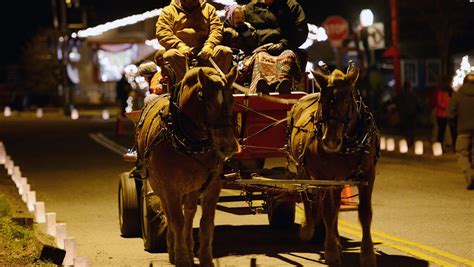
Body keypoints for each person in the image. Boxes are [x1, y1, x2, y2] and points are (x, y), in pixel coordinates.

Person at [155, 0, 233, 82]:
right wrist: (179, 45)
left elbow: (216, 29)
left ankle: (217, 84)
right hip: (181, 53)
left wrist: (209, 45)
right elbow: (162, 32)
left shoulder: (209, 9)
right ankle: (184, 85)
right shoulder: (168, 11)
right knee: (170, 55)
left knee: (225, 51)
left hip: (205, 52)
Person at [243, 0, 308, 93]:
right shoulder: (250, 9)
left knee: (288, 56)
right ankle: (261, 86)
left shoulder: (292, 6)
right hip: (261, 49)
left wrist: (283, 44)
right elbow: (244, 33)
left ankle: (283, 86)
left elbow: (301, 32)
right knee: (260, 58)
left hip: (286, 48)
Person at [447, 73, 474, 190]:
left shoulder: (458, 95)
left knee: (462, 153)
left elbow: (450, 114)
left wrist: (456, 125)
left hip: (463, 130)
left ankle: (470, 173)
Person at [396, 80, 422, 147]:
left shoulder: (401, 94)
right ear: (410, 86)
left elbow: (398, 103)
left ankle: (408, 141)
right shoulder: (413, 94)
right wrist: (419, 111)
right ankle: (412, 141)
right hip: (413, 114)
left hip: (405, 114)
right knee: (412, 128)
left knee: (407, 128)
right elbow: (418, 103)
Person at [434, 79, 457, 151]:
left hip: (450, 115)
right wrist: (448, 106)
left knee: (453, 132)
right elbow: (439, 103)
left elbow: (455, 100)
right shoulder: (440, 92)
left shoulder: (452, 92)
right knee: (441, 132)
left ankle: (454, 147)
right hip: (442, 115)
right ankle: (439, 148)